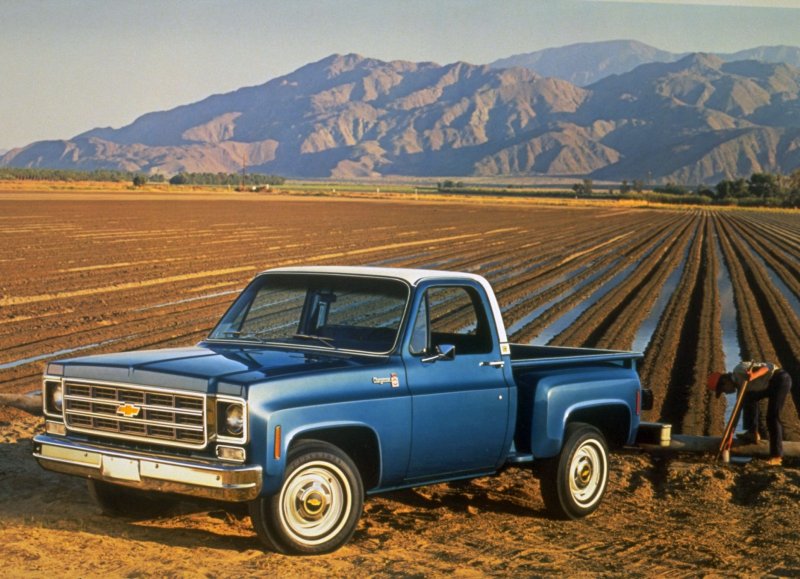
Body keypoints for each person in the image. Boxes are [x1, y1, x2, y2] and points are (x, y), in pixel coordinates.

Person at [707, 360, 791, 466]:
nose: (726, 393)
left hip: (779, 380)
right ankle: (753, 433)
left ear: (725, 381)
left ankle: (776, 457)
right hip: (766, 386)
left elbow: (768, 367)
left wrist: (753, 375)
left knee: (772, 417)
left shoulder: (738, 370)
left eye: (724, 390)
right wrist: (729, 438)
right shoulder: (741, 389)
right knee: (748, 399)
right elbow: (735, 415)